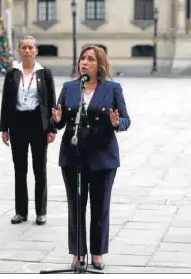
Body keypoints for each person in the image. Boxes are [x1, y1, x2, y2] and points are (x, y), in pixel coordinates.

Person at [52, 45, 131, 270]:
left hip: (103, 158)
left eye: (90, 59)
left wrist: (117, 123)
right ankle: (77, 253)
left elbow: (125, 119)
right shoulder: (69, 88)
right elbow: (58, 122)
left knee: (100, 207)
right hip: (73, 157)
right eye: (82, 59)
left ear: (100, 65)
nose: (84, 63)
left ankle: (97, 253)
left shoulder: (113, 88)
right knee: (75, 207)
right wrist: (56, 120)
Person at [0, 35, 57, 225]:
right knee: (20, 169)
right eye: (24, 47)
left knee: (39, 169)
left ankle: (41, 212)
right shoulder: (12, 73)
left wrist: (52, 128)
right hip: (18, 123)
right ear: (19, 50)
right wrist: (4, 128)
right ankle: (21, 212)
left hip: (38, 124)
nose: (27, 51)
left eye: (31, 47)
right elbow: (6, 102)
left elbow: (51, 103)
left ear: (36, 51)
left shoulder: (44, 73)